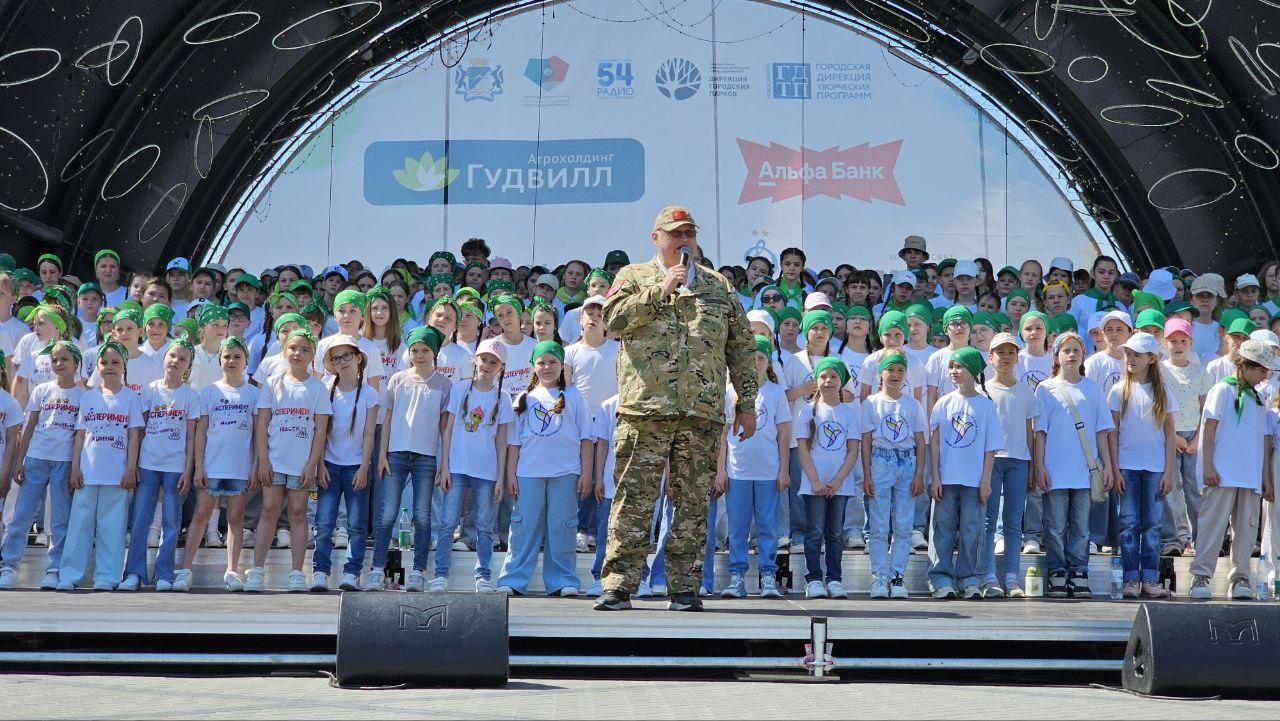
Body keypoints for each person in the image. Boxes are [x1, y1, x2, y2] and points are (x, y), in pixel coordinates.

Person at [596, 206, 757, 613]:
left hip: (700, 412)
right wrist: (660, 289)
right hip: (644, 409)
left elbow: (740, 347)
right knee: (633, 498)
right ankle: (618, 585)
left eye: (689, 232)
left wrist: (747, 403)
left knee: (692, 502)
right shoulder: (632, 277)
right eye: (675, 233)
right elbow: (612, 321)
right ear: (656, 237)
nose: (683, 239)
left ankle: (684, 586)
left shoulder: (719, 286)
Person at [496, 341, 592, 596]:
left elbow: (586, 439)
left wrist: (586, 473)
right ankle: (514, 578)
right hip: (528, 473)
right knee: (524, 525)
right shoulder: (524, 398)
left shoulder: (575, 397)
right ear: (533, 366)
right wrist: (511, 475)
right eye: (541, 362)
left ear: (562, 366)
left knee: (563, 525)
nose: (547, 367)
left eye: (553, 362)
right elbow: (514, 443)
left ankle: (563, 579)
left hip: (566, 473)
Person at [1190, 340, 1277, 600]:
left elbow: (1262, 439)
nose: (1266, 376)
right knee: (1213, 525)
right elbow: (1210, 426)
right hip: (1222, 473)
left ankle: (1240, 578)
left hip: (1248, 476)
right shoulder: (1222, 390)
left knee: (1246, 529)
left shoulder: (1258, 398)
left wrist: (1265, 479)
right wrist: (1207, 465)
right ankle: (1201, 576)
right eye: (1262, 370)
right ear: (1248, 366)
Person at [1033, 332, 1115, 598]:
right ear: (1056, 355)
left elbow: (1102, 431)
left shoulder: (1092, 389)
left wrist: (1108, 467)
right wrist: (1040, 466)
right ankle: (1057, 570)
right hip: (1055, 469)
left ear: (1083, 356)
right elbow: (1040, 432)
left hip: (1084, 470)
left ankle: (1079, 570)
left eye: (1076, 351)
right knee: (1055, 526)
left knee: (1081, 527)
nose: (1071, 355)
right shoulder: (1045, 389)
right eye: (1065, 350)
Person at [57, 342, 144, 591]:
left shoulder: (131, 398)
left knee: (112, 527)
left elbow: (134, 436)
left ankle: (107, 575)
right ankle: (70, 575)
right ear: (97, 366)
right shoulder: (89, 397)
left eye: (116, 362)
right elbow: (81, 436)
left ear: (124, 366)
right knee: (79, 525)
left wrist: (130, 469)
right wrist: (75, 468)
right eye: (104, 363)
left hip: (116, 475)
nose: (109, 367)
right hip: (88, 472)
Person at [251, 329, 331, 593]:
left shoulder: (317, 388)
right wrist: (263, 460)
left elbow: (321, 429)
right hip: (274, 460)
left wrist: (312, 464)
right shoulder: (273, 383)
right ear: (285, 351)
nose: (298, 353)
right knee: (269, 510)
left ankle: (297, 572)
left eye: (305, 349)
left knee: (298, 513)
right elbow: (262, 424)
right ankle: (257, 569)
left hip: (301, 463)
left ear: (313, 355)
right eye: (294, 348)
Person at [371, 326, 450, 592]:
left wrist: (444, 461)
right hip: (395, 454)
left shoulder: (444, 384)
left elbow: (444, 427)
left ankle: (418, 571)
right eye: (414, 350)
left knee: (423, 515)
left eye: (425, 350)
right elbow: (389, 419)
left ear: (434, 353)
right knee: (388, 513)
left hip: (426, 456)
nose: (419, 355)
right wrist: (382, 454)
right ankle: (376, 569)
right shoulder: (397, 380)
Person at [0, 341, 83, 590]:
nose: (58, 364)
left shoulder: (83, 395)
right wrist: (20, 461)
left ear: (76, 363)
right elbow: (30, 426)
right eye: (55, 360)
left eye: (64, 359)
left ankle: (56, 567)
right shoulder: (42, 390)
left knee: (59, 519)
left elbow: (80, 435)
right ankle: (8, 565)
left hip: (64, 462)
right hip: (36, 459)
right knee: (22, 515)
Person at [179, 337, 258, 592]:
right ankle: (186, 569)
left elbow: (257, 434)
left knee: (235, 518)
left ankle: (232, 570)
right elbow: (200, 432)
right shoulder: (210, 392)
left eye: (237, 356)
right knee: (201, 514)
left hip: (239, 467)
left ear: (246, 361)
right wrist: (199, 467)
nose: (231, 361)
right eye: (227, 356)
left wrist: (255, 465)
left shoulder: (254, 394)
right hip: (213, 465)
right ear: (220, 360)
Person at [121, 342, 201, 592]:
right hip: (147, 464)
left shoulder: (191, 396)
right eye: (172, 356)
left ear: (188, 366)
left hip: (175, 467)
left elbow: (191, 437)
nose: (176, 361)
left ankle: (164, 573)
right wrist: (132, 466)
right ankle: (134, 572)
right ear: (164, 358)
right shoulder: (149, 391)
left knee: (170, 520)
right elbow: (139, 430)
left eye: (183, 359)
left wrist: (188, 470)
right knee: (141, 518)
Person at [435, 338, 513, 592]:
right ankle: (441, 573)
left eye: (494, 362)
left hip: (487, 471)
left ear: (501, 367)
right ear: (474, 360)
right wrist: (444, 465)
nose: (487, 365)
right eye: (484, 359)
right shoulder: (459, 389)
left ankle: (483, 575)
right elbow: (447, 431)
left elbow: (502, 441)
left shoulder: (503, 397)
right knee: (448, 522)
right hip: (457, 466)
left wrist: (500, 477)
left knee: (484, 524)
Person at [716, 335, 790, 599]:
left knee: (768, 525)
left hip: (768, 471)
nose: (755, 363)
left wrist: (783, 470)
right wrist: (721, 469)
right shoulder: (730, 392)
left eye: (760, 358)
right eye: (750, 358)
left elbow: (783, 433)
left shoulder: (775, 392)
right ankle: (737, 577)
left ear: (768, 362)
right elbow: (723, 434)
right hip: (738, 471)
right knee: (738, 525)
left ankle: (768, 576)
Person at [927, 347, 1002, 600]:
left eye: (960, 367)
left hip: (973, 481)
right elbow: (935, 443)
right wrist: (935, 477)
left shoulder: (986, 406)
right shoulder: (943, 403)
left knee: (972, 529)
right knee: (942, 528)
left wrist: (986, 480)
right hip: (946, 480)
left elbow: (990, 447)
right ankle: (940, 578)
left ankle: (969, 578)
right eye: (951, 367)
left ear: (973, 371)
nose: (954, 372)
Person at [1107, 332, 1176, 599]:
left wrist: (1169, 470)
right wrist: (1114, 469)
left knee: (1152, 526)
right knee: (1128, 524)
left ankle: (1149, 578)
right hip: (1127, 466)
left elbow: (1170, 433)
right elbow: (1112, 433)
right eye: (1128, 354)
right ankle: (1130, 579)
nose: (1130, 359)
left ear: (1151, 359)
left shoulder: (1164, 392)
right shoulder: (1118, 390)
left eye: (1136, 355)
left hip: (1155, 466)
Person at [310, 336, 377, 592]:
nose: (343, 362)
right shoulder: (326, 389)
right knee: (324, 523)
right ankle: (320, 571)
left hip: (355, 466)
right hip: (329, 464)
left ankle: (352, 572)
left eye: (347, 356)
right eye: (337, 358)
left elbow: (369, 433)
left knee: (357, 524)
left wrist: (363, 467)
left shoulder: (369, 394)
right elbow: (320, 431)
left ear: (359, 358)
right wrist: (319, 465)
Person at [861, 351, 926, 599]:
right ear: (881, 372)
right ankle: (879, 577)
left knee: (903, 525)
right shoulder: (870, 403)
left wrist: (919, 473)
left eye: (900, 370)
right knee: (878, 525)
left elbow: (920, 440)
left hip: (906, 464)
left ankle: (897, 575)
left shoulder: (912, 404)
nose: (895, 375)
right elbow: (866, 440)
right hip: (880, 462)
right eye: (890, 370)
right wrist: (867, 474)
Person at [794, 357, 859, 599]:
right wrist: (816, 481)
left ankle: (834, 578)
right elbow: (802, 449)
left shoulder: (849, 412)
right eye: (823, 376)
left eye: (833, 377)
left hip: (839, 485)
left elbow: (853, 450)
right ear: (816, 380)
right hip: (814, 485)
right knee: (814, 531)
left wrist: (838, 480)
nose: (828, 381)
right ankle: (813, 578)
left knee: (835, 533)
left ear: (841, 381)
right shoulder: (807, 411)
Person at [563, 295, 619, 552]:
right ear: (580, 319)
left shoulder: (619, 350)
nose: (594, 318)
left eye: (600, 314)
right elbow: (566, 389)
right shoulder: (570, 352)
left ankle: (598, 530)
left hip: (610, 423)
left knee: (604, 477)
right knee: (584, 476)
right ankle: (580, 530)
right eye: (590, 313)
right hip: (580, 424)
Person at [982, 333, 1035, 597]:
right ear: (990, 358)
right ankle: (989, 575)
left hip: (1019, 461)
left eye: (1010, 352)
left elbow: (1029, 430)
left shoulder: (1025, 390)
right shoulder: (984, 390)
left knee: (1013, 522)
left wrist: (1034, 465)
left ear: (1017, 357)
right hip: (992, 461)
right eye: (999, 352)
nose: (1005, 357)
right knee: (988, 520)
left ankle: (1012, 577)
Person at [1159, 318, 1210, 556]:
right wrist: (1174, 436)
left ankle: (1202, 540)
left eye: (1183, 341)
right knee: (1168, 489)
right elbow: (1157, 406)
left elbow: (1205, 409)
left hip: (1193, 437)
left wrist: (1197, 438)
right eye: (1173, 341)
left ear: (1190, 343)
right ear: (1164, 342)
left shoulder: (1200, 371)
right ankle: (1170, 539)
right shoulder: (1158, 370)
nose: (1178, 346)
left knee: (1194, 491)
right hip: (1169, 434)